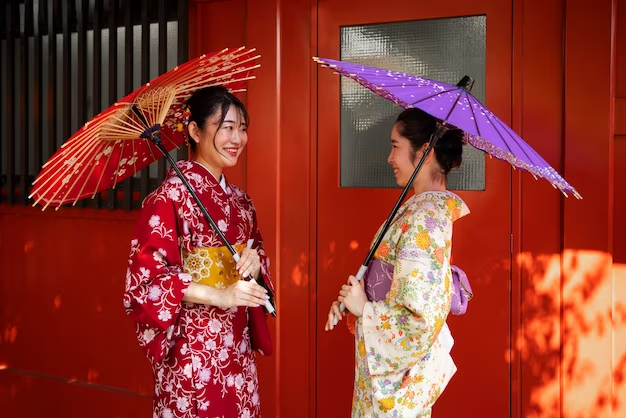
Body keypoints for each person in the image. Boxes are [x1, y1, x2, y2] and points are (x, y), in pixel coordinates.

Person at [124, 86, 273, 418]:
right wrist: (219, 295)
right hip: (193, 347)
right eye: (227, 127)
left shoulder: (241, 200)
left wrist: (255, 264)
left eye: (243, 127)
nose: (238, 138)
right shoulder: (168, 198)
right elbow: (146, 283)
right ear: (194, 131)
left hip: (236, 344)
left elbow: (257, 251)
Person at [326, 107, 470, 417]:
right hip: (388, 368)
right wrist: (357, 294)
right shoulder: (419, 212)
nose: (390, 158)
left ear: (425, 152)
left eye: (395, 147)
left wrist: (365, 308)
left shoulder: (424, 222)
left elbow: (420, 318)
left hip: (397, 383)